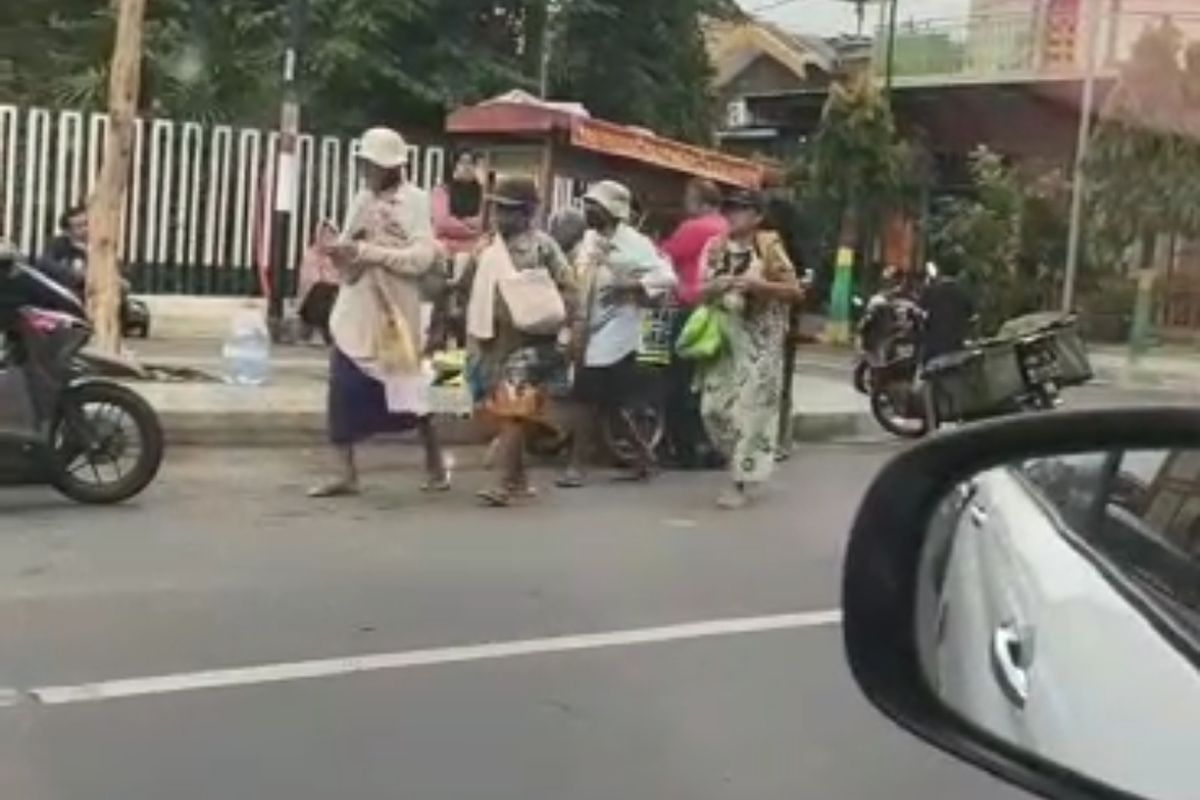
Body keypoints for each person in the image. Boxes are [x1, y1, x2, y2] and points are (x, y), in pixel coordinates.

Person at [308, 127, 450, 499]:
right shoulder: (361, 200)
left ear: (393, 167)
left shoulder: (415, 201)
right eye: (365, 164)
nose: (367, 171)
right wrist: (340, 252)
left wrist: (370, 252)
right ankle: (345, 473)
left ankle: (435, 463)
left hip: (395, 314)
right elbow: (350, 258)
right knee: (342, 387)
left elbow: (421, 259)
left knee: (409, 393)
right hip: (357, 310)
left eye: (374, 165)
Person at [464, 177, 577, 507]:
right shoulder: (486, 247)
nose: (500, 216)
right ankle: (518, 479)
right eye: (497, 209)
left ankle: (502, 484)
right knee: (505, 412)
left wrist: (569, 330)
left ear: (527, 213)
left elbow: (570, 289)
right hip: (494, 340)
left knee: (513, 410)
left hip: (533, 343)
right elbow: (468, 287)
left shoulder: (543, 247)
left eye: (508, 210)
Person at [557, 180, 677, 488]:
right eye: (586, 205)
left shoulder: (635, 243)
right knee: (612, 404)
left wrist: (630, 286)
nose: (587, 210)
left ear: (611, 210)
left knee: (585, 401)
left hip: (619, 331)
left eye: (594, 206)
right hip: (589, 326)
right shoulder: (589, 240)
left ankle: (576, 467)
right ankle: (644, 458)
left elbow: (666, 277)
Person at [699, 189, 805, 510]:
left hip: (763, 341)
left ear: (757, 216)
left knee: (750, 410)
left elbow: (794, 291)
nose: (732, 215)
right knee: (713, 409)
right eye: (729, 209)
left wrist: (760, 286)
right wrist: (716, 286)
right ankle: (741, 460)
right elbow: (700, 290)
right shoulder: (716, 247)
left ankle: (739, 480)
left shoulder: (769, 246)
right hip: (725, 336)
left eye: (741, 209)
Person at [659, 179, 728, 469]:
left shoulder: (695, 228)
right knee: (705, 382)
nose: (685, 204)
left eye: (689, 198)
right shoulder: (725, 227)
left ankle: (684, 450)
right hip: (718, 313)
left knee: (678, 380)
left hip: (688, 308)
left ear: (700, 202)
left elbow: (663, 255)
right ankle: (711, 446)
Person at [430, 150, 485, 351]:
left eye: (472, 163)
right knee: (443, 292)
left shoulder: (483, 193)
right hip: (444, 251)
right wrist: (470, 227)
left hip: (473, 253)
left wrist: (461, 224)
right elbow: (442, 223)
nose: (467, 167)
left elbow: (484, 223)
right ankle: (438, 338)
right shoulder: (442, 191)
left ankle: (464, 340)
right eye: (462, 162)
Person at [919, 263, 976, 363]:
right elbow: (971, 315)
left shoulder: (931, 290)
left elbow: (921, 311)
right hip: (956, 346)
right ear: (958, 272)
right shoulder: (962, 292)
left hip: (934, 347)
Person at [295, 219, 340, 346]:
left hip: (336, 297)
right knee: (321, 289)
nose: (327, 238)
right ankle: (317, 331)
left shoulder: (341, 255)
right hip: (313, 299)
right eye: (324, 234)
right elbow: (310, 279)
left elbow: (347, 277)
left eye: (331, 235)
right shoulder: (312, 254)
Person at [38, 204, 89, 291]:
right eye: (79, 226)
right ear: (67, 232)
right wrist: (74, 274)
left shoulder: (102, 244)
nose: (85, 229)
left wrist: (88, 252)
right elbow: (44, 263)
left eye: (86, 224)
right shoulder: (59, 244)